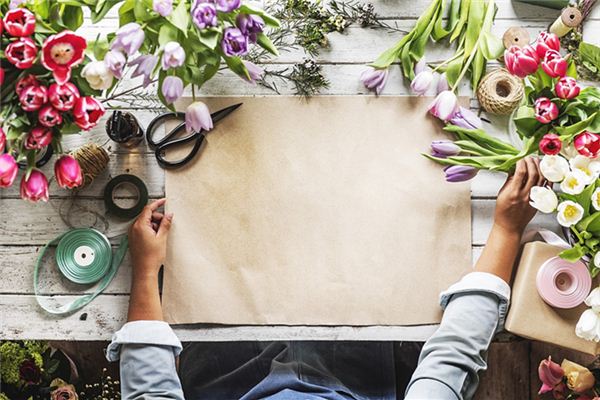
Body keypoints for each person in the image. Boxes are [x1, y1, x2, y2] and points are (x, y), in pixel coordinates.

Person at [106, 157, 544, 400]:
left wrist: (144, 272)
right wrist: (505, 231)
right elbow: (452, 358)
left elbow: (149, 392)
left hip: (229, 377)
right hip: (360, 373)